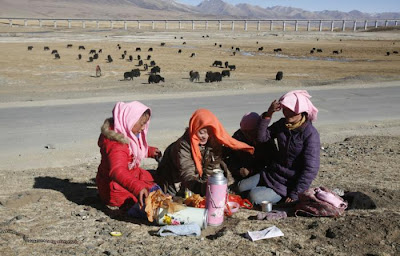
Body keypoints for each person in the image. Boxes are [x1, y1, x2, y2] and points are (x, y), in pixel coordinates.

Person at [237, 90, 320, 205]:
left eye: (292, 110)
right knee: (240, 187)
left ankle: (276, 196)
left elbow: (311, 169)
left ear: (302, 112)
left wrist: (296, 193)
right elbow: (262, 138)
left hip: (288, 183)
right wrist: (269, 114)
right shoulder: (283, 124)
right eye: (285, 109)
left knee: (253, 197)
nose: (287, 113)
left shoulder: (310, 134)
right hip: (272, 174)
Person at [156, 108, 254, 197]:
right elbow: (187, 174)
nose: (205, 136)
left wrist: (211, 185)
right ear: (194, 128)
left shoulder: (213, 141)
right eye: (201, 132)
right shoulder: (183, 146)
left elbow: (212, 167)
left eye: (209, 132)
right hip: (177, 180)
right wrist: (204, 188)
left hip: (200, 181)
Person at [96, 101, 162, 212]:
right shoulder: (116, 144)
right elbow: (117, 171)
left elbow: (131, 152)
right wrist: (138, 187)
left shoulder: (124, 132)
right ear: (130, 121)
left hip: (130, 177)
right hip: (117, 189)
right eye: (141, 124)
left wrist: (149, 151)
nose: (143, 128)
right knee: (150, 204)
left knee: (156, 190)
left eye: (145, 123)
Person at [224, 112, 275, 183]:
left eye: (250, 132)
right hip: (240, 173)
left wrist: (250, 171)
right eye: (244, 132)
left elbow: (270, 163)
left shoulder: (265, 140)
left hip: (261, 174)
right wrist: (238, 170)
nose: (247, 135)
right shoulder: (238, 136)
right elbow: (230, 156)